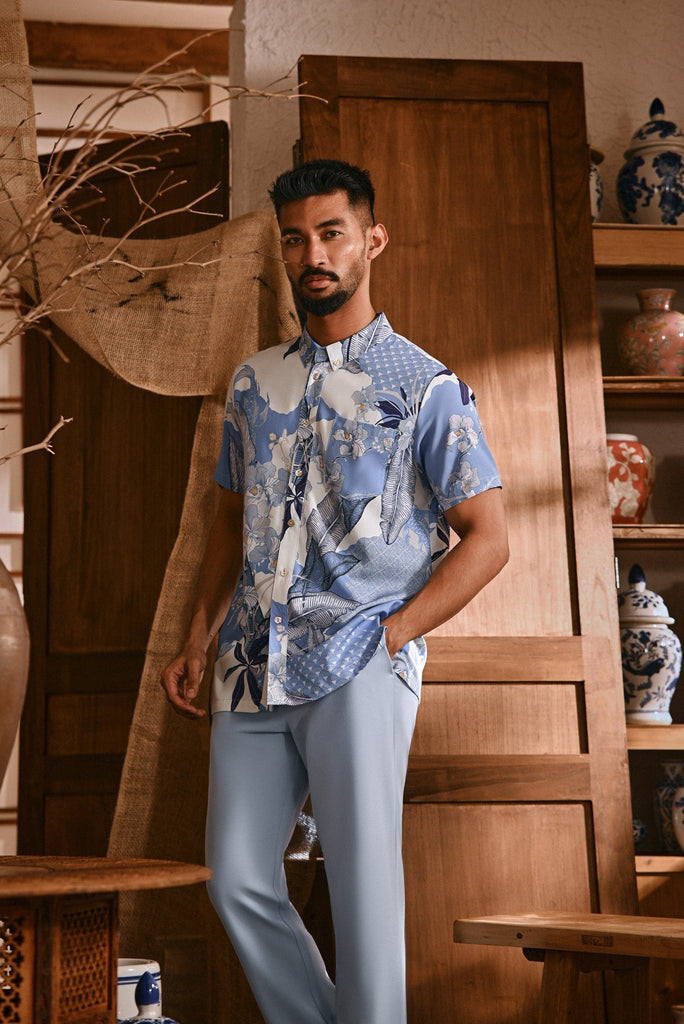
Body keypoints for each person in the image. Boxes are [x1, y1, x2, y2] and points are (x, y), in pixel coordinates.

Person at [161, 158, 509, 1024]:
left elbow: (489, 538)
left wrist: (393, 637)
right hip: (249, 664)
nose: (312, 255)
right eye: (295, 239)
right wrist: (198, 637)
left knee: (362, 891)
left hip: (359, 661)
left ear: (371, 240)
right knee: (236, 879)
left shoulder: (426, 387)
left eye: (331, 233)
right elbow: (228, 521)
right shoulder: (252, 384)